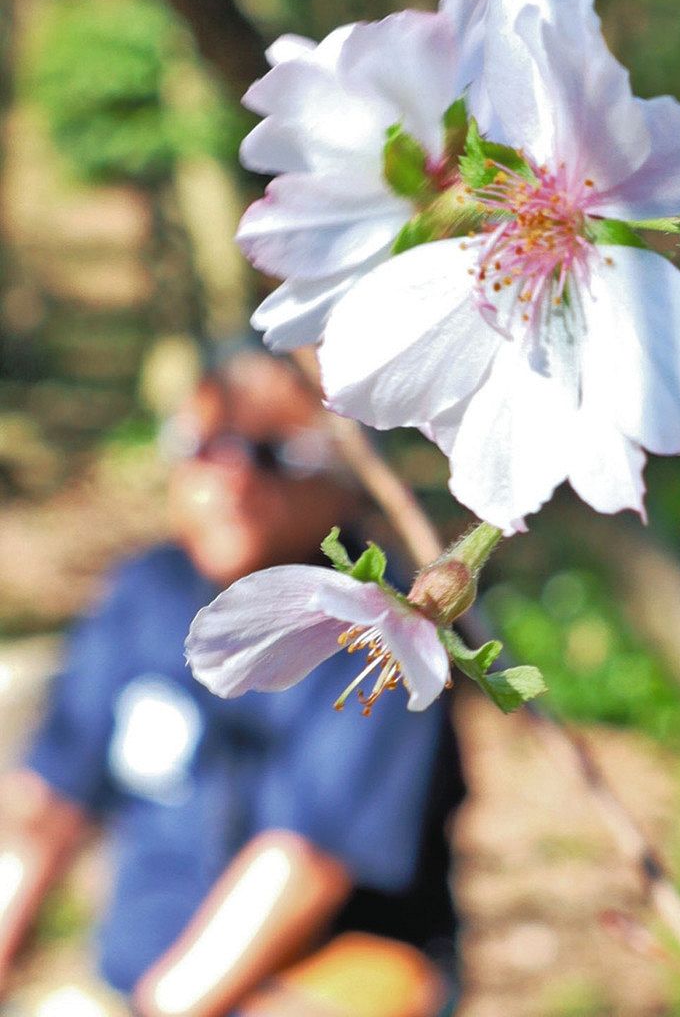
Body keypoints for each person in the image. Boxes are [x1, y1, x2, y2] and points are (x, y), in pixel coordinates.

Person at [0, 348, 463, 1017]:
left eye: (272, 455)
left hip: (309, 980)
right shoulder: (143, 592)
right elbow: (46, 805)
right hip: (138, 983)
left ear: (346, 480)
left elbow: (304, 866)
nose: (230, 481)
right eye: (203, 447)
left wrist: (160, 1009)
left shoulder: (381, 633)